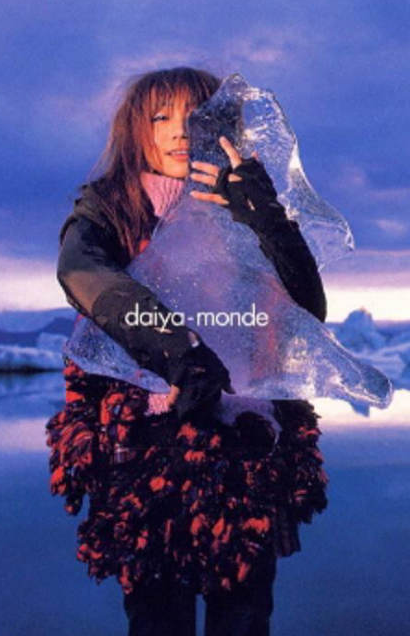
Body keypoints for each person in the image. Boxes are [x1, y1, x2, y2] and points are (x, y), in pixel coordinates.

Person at [46, 66, 329, 636]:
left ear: (222, 128)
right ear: (135, 131)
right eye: (160, 117)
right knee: (157, 617)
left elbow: (307, 307)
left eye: (195, 117)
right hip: (145, 443)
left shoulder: (245, 203)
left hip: (249, 437)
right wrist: (180, 349)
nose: (179, 131)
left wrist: (266, 217)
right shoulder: (108, 208)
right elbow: (81, 271)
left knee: (244, 615)